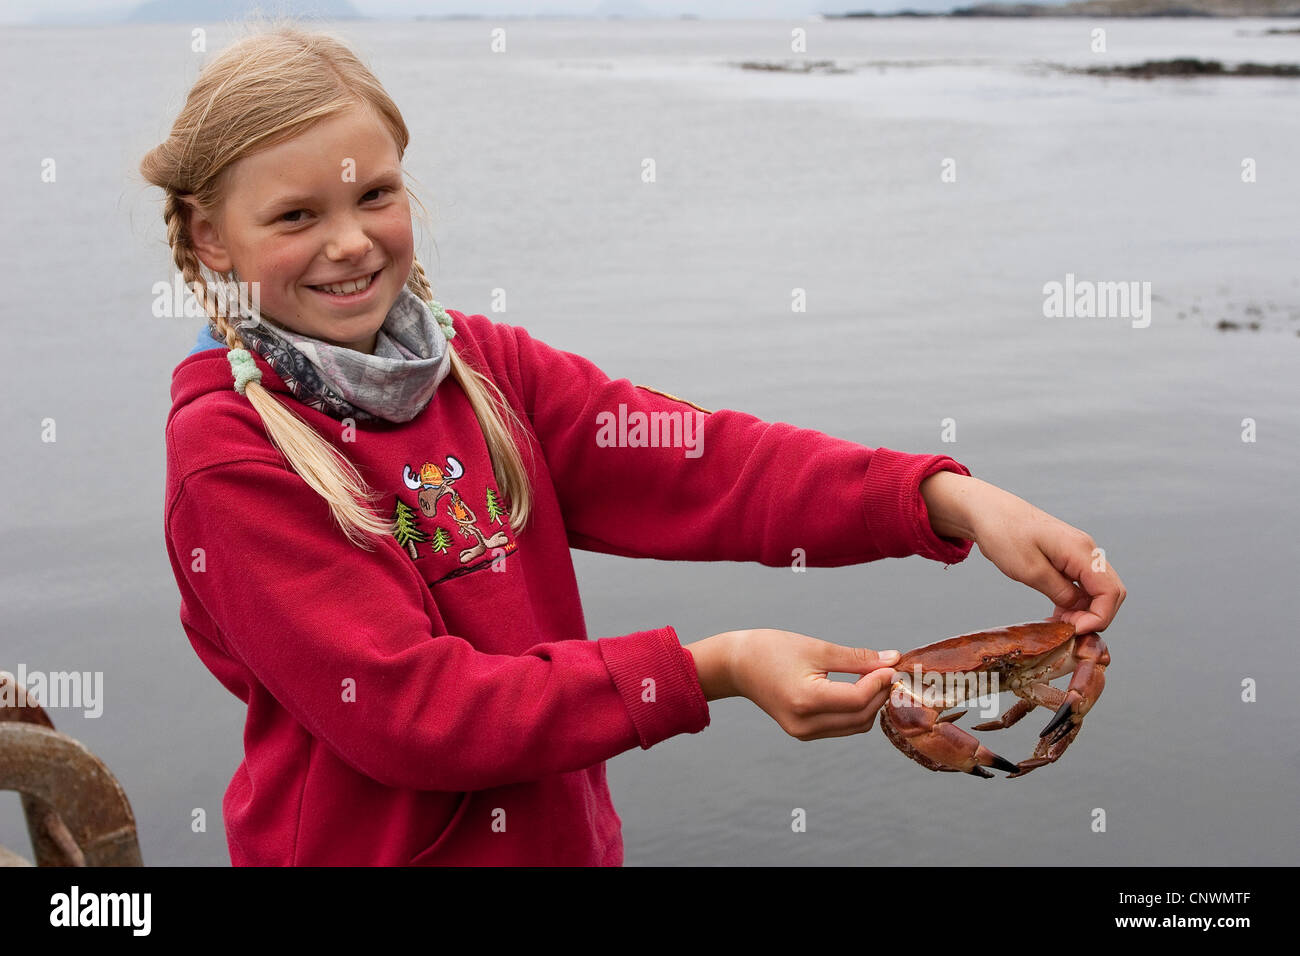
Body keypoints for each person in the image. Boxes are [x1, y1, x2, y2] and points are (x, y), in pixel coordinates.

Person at [143, 24, 1125, 866]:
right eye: (296, 215)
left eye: (375, 196)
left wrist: (947, 499)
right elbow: (411, 712)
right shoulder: (233, 455)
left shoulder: (487, 371)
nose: (351, 242)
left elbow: (710, 464)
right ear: (212, 236)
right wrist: (711, 668)